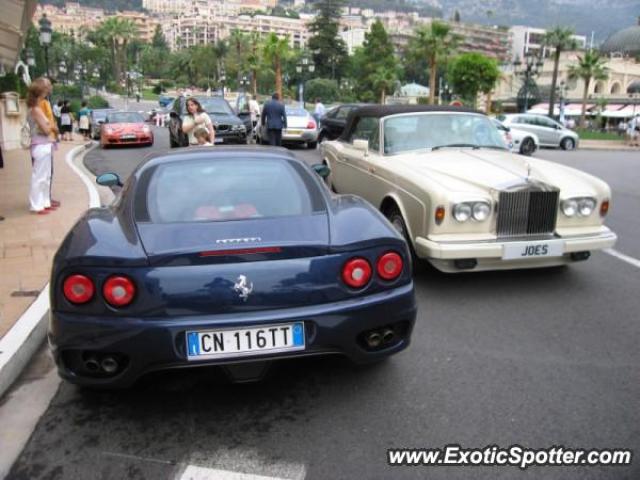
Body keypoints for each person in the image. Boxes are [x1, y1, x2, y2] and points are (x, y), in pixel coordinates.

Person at [27, 80, 56, 214]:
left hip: (44, 144)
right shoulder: (36, 109)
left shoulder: (37, 108)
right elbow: (46, 129)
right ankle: (36, 205)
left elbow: (48, 127)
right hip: (40, 144)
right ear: (41, 91)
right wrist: (51, 126)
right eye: (46, 89)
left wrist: (50, 126)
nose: (48, 90)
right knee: (39, 176)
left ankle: (44, 202)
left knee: (46, 176)